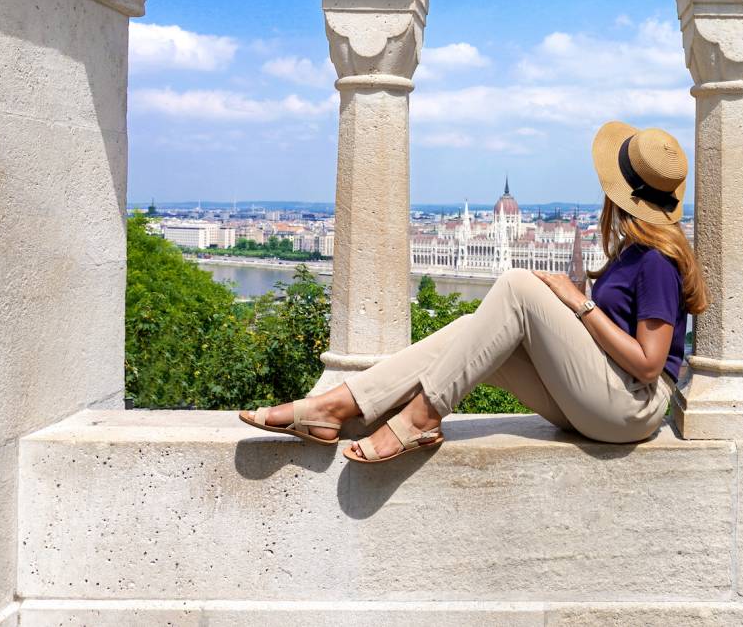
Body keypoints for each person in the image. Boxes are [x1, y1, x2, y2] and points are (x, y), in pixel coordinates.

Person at [239, 121, 708, 462]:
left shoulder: (655, 260)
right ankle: (338, 405)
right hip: (601, 399)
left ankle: (421, 416)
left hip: (632, 407)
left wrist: (578, 302)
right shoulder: (632, 252)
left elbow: (649, 365)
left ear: (617, 192)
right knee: (472, 331)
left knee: (518, 284)